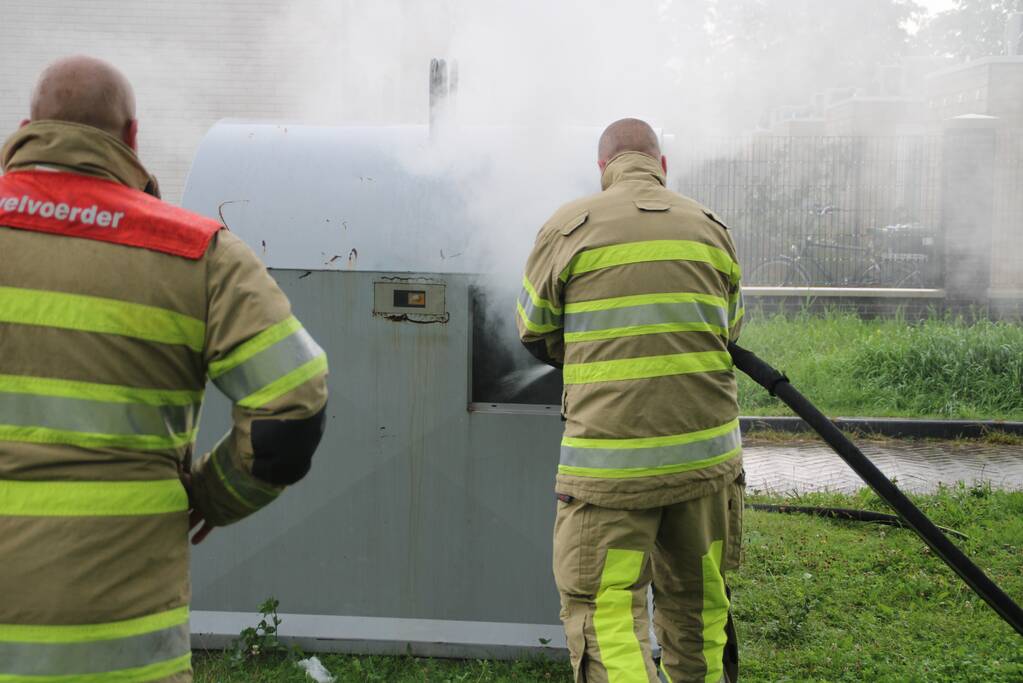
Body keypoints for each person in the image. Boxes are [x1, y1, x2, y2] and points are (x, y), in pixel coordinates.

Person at [0, 56, 328, 682]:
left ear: (25, 128)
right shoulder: (200, 255)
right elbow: (293, 409)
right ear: (131, 138)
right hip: (119, 653)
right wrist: (214, 495)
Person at [517, 118, 745, 682]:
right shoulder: (711, 229)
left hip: (613, 476)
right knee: (699, 609)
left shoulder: (568, 227)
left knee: (609, 614)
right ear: (662, 166)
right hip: (704, 470)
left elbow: (533, 329)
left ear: (603, 171)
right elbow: (729, 331)